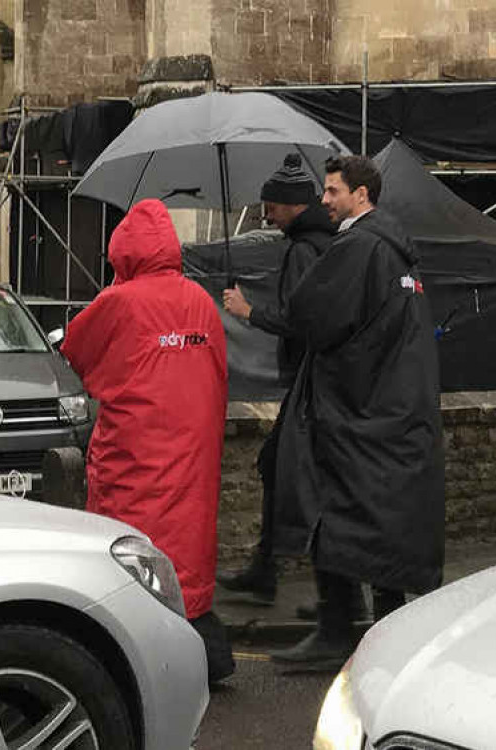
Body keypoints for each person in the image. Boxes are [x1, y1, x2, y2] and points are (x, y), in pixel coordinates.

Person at [270, 155, 445, 668]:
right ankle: (385, 626)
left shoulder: (360, 245)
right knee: (383, 515)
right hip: (395, 406)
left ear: (360, 195)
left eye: (331, 191)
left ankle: (337, 629)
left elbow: (309, 312)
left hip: (356, 406)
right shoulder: (398, 251)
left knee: (331, 503)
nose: (322, 200)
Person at [60, 199, 234, 682]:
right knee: (187, 554)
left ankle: (143, 662)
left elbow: (76, 352)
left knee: (130, 552)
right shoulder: (199, 300)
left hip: (136, 451)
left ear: (124, 253)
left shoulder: (119, 302)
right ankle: (205, 652)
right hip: (194, 451)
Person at [217, 153, 339, 607]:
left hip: (313, 380)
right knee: (280, 466)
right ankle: (269, 570)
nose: (265, 212)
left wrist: (249, 312)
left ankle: (330, 599)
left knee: (304, 478)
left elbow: (301, 320)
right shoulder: (319, 243)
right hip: (315, 379)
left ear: (292, 205)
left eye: (271, 204)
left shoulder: (305, 250)